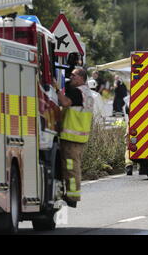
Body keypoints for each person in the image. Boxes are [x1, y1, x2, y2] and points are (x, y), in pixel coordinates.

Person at [53, 68, 94, 208]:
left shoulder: (78, 92)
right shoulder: (87, 92)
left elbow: (64, 102)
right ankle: (71, 194)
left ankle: (72, 197)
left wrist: (56, 89)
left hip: (72, 138)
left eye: (73, 75)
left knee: (71, 168)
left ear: (81, 78)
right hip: (79, 137)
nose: (70, 77)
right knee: (73, 167)